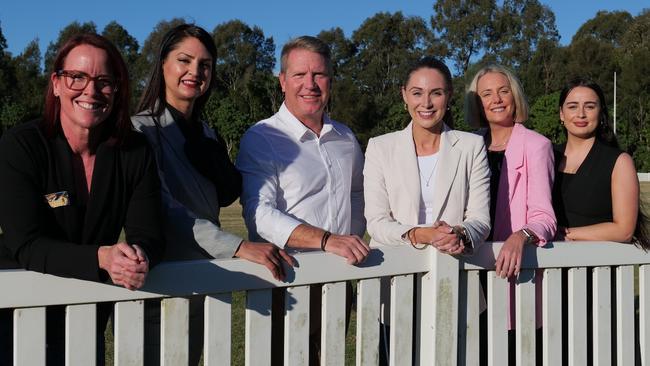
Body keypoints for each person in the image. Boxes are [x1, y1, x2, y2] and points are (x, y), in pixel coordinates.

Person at [131, 24, 294, 365]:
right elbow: (165, 207)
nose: (195, 72)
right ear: (163, 64)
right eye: (184, 60)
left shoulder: (206, 133)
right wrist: (237, 246)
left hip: (206, 280)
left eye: (204, 64)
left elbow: (224, 194)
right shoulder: (140, 130)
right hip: (162, 282)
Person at [0, 33, 164, 366]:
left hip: (87, 316)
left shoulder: (134, 151)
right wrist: (103, 258)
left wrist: (138, 255)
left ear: (116, 90)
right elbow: (25, 244)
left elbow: (149, 232)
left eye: (104, 81)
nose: (91, 90)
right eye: (77, 77)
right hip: (15, 313)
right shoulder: (22, 146)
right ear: (56, 83)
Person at [236, 35, 369, 365]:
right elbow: (258, 212)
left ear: (330, 81)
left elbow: (357, 194)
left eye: (319, 75)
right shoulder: (262, 137)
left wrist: (347, 243)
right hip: (287, 280)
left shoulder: (346, 137)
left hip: (340, 275)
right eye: (299, 75)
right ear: (282, 81)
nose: (310, 84)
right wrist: (327, 240)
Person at [363, 56, 490, 363]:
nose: (427, 103)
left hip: (458, 279)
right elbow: (376, 222)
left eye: (436, 93)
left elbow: (481, 219)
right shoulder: (380, 147)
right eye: (417, 92)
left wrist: (458, 233)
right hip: (395, 284)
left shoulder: (471, 146)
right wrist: (423, 234)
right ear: (404, 94)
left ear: (448, 96)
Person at [465, 64, 556, 364]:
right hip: (470, 269)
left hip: (513, 273)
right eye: (487, 93)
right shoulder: (467, 145)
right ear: (477, 103)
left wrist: (521, 235)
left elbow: (545, 216)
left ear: (515, 96)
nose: (497, 99)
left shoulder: (536, 145)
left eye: (503, 91)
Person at [553, 78, 649, 248]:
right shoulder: (547, 155)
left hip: (596, 268)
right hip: (547, 269)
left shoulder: (619, 161)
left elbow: (624, 230)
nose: (581, 114)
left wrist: (565, 234)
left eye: (590, 106)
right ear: (562, 113)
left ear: (601, 113)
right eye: (572, 106)